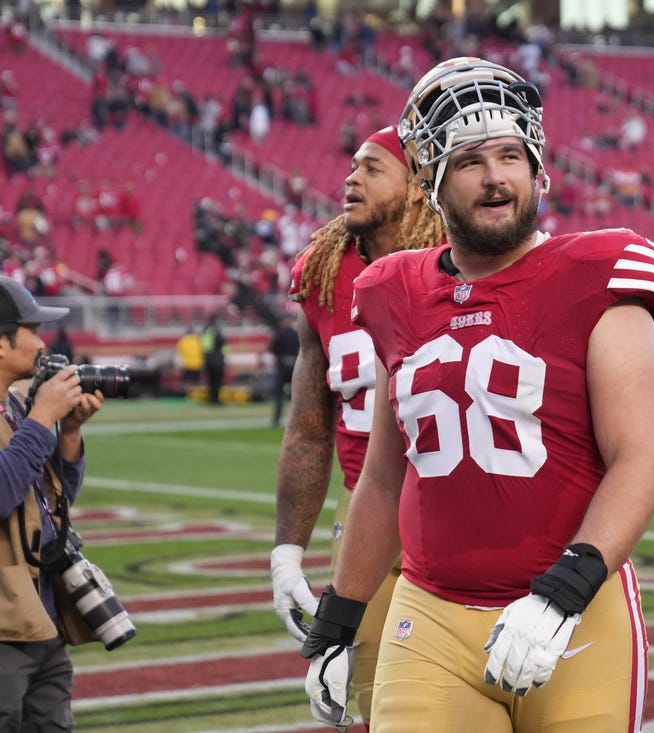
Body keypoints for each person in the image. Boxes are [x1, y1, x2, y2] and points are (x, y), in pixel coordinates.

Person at [298, 57, 654, 732]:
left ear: (537, 168)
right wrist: (338, 616)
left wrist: (564, 591)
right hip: (432, 616)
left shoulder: (597, 273)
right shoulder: (392, 290)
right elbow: (383, 477)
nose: (497, 175)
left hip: (575, 622)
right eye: (471, 160)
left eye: (511, 155)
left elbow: (641, 458)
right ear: (433, 186)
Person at [271, 126, 444, 726]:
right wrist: (287, 553)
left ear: (420, 187)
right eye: (352, 165)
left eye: (373, 168)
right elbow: (309, 428)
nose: (352, 178)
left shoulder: (464, 260)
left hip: (461, 508)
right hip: (367, 512)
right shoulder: (323, 274)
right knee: (358, 708)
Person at [0, 275, 105, 731]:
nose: (42, 341)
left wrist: (67, 434)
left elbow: (48, 505)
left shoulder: (9, 404)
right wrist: (43, 413)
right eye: (31, 330)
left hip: (37, 615)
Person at [267, 314, 300, 427]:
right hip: (290, 366)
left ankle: (279, 418)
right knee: (291, 394)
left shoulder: (280, 333)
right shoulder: (294, 333)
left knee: (281, 394)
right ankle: (293, 418)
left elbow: (273, 349)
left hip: (283, 367)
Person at [201, 314, 227, 405]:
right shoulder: (216, 331)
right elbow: (223, 347)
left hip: (210, 360)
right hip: (217, 361)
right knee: (216, 381)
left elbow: (205, 347)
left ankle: (213, 399)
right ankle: (215, 400)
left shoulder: (207, 330)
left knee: (212, 381)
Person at [175, 326, 204, 394]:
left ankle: (185, 394)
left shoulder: (183, 341)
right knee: (197, 381)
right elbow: (203, 352)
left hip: (186, 365)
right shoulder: (198, 340)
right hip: (197, 365)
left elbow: (178, 354)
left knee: (185, 381)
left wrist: (179, 365)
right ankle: (197, 394)